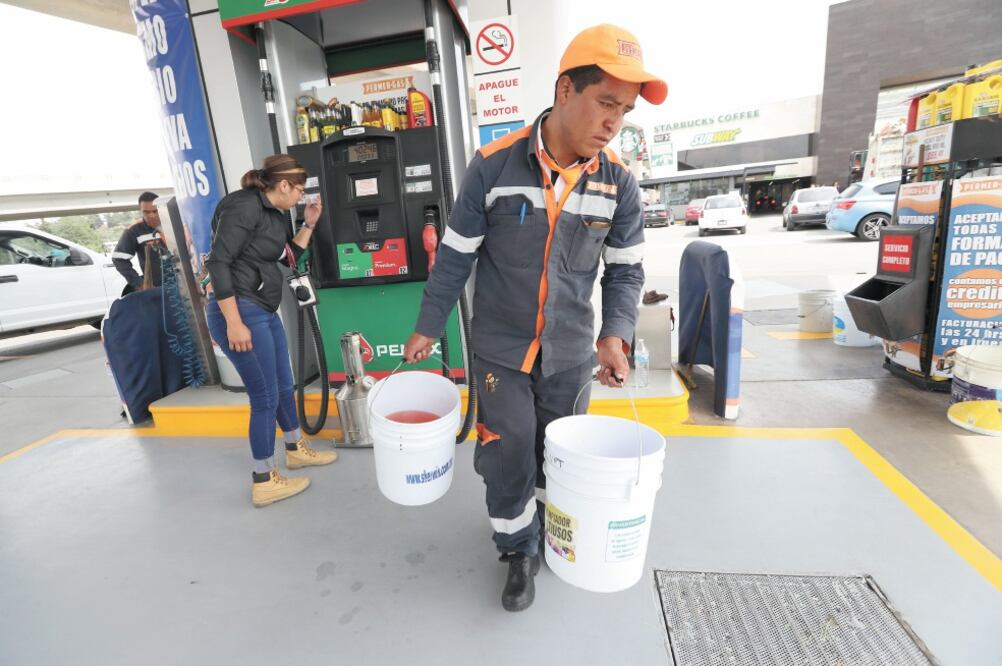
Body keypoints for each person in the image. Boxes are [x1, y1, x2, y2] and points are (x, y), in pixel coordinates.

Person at [403, 24, 666, 611]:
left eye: (623, 111)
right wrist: (429, 324)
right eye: (605, 103)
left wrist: (615, 335)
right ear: (565, 90)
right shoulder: (493, 167)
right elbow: (454, 256)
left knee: (559, 449)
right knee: (511, 446)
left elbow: (624, 272)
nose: (613, 122)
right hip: (502, 346)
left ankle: (551, 527)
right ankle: (516, 547)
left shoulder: (618, 183)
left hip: (570, 352)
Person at [204, 154, 337, 508]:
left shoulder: (275, 215)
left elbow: (286, 257)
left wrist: (308, 224)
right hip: (240, 311)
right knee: (263, 396)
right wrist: (233, 321)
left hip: (262, 308)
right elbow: (217, 262)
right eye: (299, 190)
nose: (300, 196)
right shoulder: (242, 207)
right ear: (283, 185)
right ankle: (264, 479)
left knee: (282, 384)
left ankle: (295, 449)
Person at [112, 191, 164, 295]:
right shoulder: (134, 231)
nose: (152, 215)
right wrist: (140, 283)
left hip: (183, 284)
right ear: (140, 211)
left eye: (155, 211)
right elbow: (119, 259)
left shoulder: (175, 223)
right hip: (157, 289)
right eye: (146, 212)